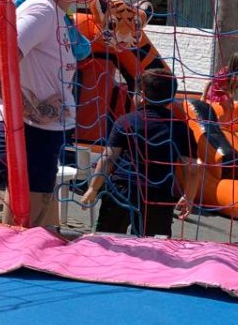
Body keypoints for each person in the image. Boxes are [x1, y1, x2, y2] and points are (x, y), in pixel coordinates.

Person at [0, 0, 107, 228]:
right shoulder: (41, 12)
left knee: (44, 233)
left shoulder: (56, 13)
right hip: (29, 136)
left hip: (40, 136)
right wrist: (32, 109)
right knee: (26, 235)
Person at [80, 69, 199, 238]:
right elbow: (193, 170)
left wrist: (93, 188)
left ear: (141, 95)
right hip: (158, 195)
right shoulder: (181, 129)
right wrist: (189, 196)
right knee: (154, 247)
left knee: (108, 240)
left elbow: (108, 158)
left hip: (123, 190)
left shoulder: (126, 121)